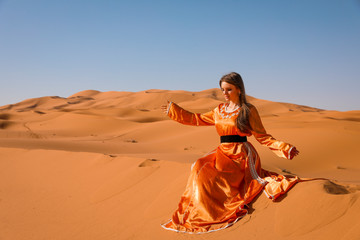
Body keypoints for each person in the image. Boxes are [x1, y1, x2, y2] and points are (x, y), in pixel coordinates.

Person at [160, 72, 299, 234]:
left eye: (229, 89)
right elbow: (197, 119)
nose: (225, 93)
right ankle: (198, 212)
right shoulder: (219, 110)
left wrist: (284, 147)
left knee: (217, 176)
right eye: (222, 90)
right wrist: (174, 110)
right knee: (199, 166)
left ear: (239, 89)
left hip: (241, 154)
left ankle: (217, 210)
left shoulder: (248, 110)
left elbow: (262, 136)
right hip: (222, 151)